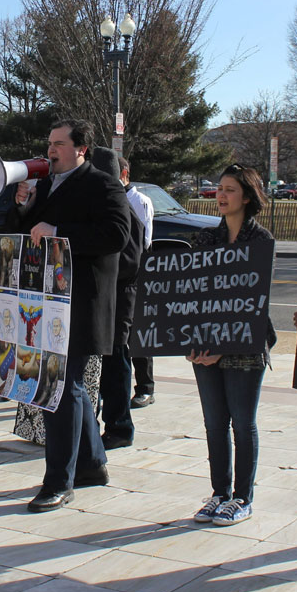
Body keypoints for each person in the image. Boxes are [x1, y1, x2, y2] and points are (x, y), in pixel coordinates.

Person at [7, 119, 130, 512]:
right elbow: (28, 235)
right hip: (47, 302)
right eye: (49, 143)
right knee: (68, 387)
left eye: (59, 144)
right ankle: (91, 464)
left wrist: (59, 228)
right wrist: (23, 208)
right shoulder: (44, 187)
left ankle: (59, 481)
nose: (50, 150)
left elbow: (116, 235)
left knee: (60, 388)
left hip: (81, 304)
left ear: (81, 149)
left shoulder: (102, 184)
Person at [188, 164, 277, 527]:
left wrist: (225, 345)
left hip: (244, 346)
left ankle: (242, 497)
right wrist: (190, 342)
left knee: (242, 424)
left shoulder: (261, 241)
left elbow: (254, 303)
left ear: (247, 196)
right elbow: (191, 297)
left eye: (229, 189)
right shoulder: (205, 240)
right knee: (213, 424)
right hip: (204, 347)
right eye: (218, 188)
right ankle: (219, 493)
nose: (221, 195)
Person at [90, 148, 144, 451]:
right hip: (103, 302)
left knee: (116, 366)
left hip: (118, 302)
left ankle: (120, 426)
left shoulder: (122, 207)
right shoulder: (106, 204)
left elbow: (130, 261)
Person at [123, 158, 158, 408]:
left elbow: (143, 242)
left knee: (137, 333)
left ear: (124, 173)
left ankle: (145, 387)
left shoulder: (139, 201)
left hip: (135, 275)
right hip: (115, 275)